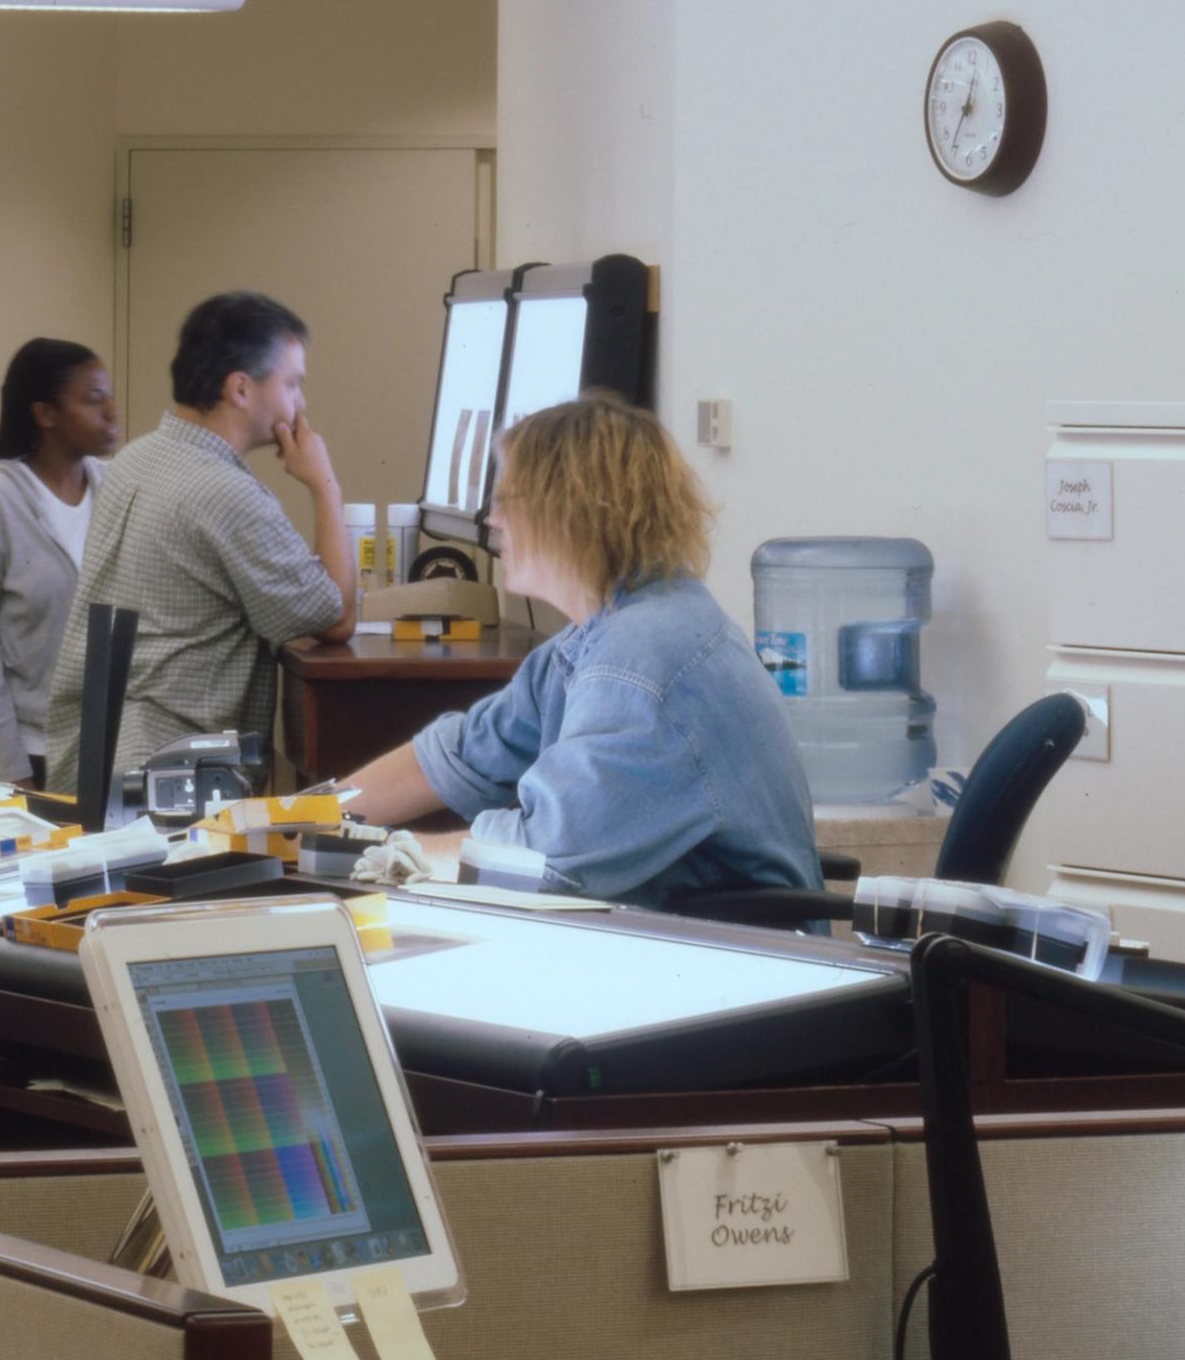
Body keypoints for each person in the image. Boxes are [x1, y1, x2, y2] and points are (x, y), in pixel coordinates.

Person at [329, 393, 818, 905]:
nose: (492, 520)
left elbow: (544, 858)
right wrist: (299, 818)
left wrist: (382, 855)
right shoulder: (601, 635)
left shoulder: (642, 659)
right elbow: (459, 756)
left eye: (506, 499)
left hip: (725, 958)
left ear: (571, 510)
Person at [42, 292, 359, 804]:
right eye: (292, 383)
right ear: (240, 388)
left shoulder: (133, 462)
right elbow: (336, 616)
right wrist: (325, 486)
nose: (299, 403)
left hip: (95, 761)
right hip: (171, 779)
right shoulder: (226, 492)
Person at [0, 337, 120, 785]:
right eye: (93, 399)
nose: (111, 412)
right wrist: (8, 769)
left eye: (109, 396)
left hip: (88, 740)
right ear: (46, 414)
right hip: (8, 744)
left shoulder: (115, 490)